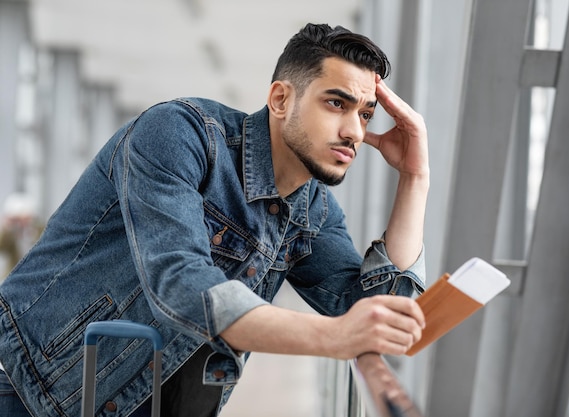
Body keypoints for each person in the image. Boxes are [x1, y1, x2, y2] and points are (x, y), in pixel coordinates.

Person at [0, 23, 430, 417]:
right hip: (27, 386)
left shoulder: (312, 209)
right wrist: (332, 337)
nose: (354, 130)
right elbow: (182, 283)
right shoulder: (179, 133)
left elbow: (378, 312)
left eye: (366, 114)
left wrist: (414, 179)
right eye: (337, 103)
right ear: (281, 99)